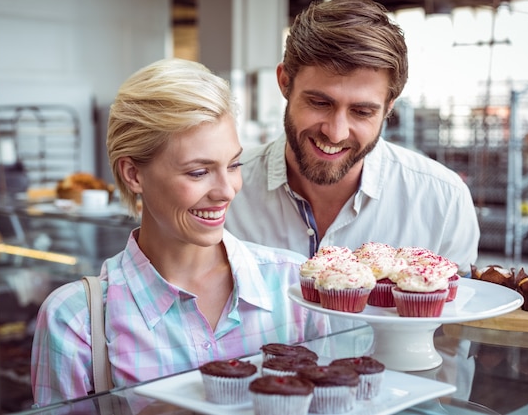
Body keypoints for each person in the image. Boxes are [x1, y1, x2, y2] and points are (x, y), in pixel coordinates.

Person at [30, 58, 328, 407]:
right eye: (199, 172)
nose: (226, 190)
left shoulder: (296, 286)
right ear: (133, 174)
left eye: (233, 165)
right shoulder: (76, 321)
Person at [225, 0, 480, 276]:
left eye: (361, 111)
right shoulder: (225, 193)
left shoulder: (442, 201)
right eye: (320, 103)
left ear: (388, 107)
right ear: (285, 82)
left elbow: (458, 313)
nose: (336, 132)